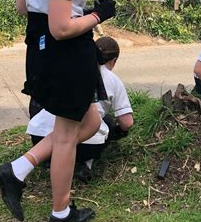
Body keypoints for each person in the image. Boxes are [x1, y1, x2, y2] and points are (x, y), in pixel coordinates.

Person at [0, 0, 116, 222]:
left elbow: (23, 6)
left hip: (41, 50)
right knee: (65, 136)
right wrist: (97, 14)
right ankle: (61, 213)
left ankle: (16, 171)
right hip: (66, 54)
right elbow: (61, 28)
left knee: (89, 121)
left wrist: (71, 10)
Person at [27, 36, 134, 182]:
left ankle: (46, 158)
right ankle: (85, 163)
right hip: (83, 145)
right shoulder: (112, 79)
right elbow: (127, 122)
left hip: (39, 137)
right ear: (113, 61)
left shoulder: (68, 66)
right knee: (105, 122)